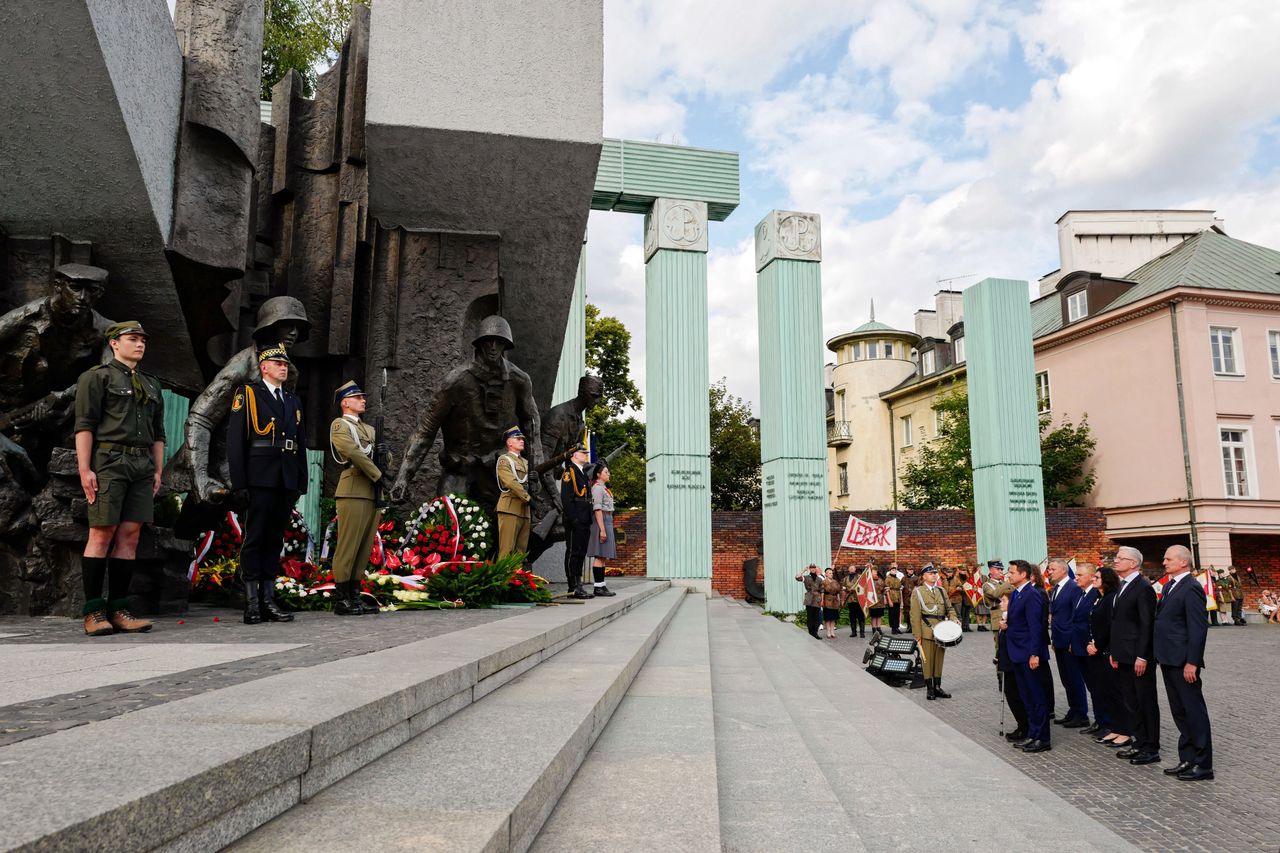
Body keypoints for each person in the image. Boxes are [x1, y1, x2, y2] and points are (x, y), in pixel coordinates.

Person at [390, 316, 543, 509]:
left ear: (506, 345)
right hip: (459, 469)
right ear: (479, 344)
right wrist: (403, 477)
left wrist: (535, 471)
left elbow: (532, 427)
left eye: (499, 342)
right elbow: (425, 432)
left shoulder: (519, 380)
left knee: (503, 528)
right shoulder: (456, 381)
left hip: (497, 471)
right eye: (488, 341)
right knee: (449, 522)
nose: (493, 347)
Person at [73, 321, 164, 636]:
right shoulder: (96, 378)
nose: (139, 344)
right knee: (101, 532)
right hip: (110, 461)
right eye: (132, 339)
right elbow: (84, 425)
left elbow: (158, 433)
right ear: (114, 343)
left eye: (142, 339)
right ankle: (93, 611)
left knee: (131, 536)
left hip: (141, 465)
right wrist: (85, 469)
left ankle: (119, 609)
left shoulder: (152, 385)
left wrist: (157, 470)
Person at [227, 345, 308, 625]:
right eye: (276, 363)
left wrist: (301, 479)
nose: (283, 367)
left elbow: (300, 443)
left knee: (275, 539)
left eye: (285, 364)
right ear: (263, 367)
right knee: (255, 537)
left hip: (285, 477)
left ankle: (268, 599)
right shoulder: (248, 394)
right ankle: (251, 602)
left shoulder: (292, 400)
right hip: (259, 476)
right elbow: (236, 441)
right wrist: (239, 483)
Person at [1155, 545, 1214, 781]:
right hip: (1168, 658)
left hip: (1183, 661)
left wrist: (1193, 661)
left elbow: (1198, 629)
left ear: (1183, 562)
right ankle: (1187, 758)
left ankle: (1203, 764)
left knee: (1193, 712)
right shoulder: (1170, 586)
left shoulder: (1191, 587)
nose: (1164, 562)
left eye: (1168, 559)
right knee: (1179, 711)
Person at [328, 381, 386, 617]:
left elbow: (383, 455)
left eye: (363, 397)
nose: (363, 400)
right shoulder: (340, 425)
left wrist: (384, 457)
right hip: (353, 488)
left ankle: (354, 593)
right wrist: (378, 473)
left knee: (363, 547)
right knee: (349, 545)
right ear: (345, 402)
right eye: (358, 397)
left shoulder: (370, 430)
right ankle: (341, 597)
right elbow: (352, 452)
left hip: (371, 491)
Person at [1109, 546, 1161, 766]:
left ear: (1133, 563)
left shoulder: (1142, 588)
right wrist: (1114, 651)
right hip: (1123, 654)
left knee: (1145, 701)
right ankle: (1138, 741)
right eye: (1116, 557)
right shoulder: (1123, 586)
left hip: (1138, 657)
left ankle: (1151, 747)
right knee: (1130, 701)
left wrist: (1143, 656)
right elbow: (1119, 623)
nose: (1116, 561)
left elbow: (1147, 624)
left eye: (1121, 559)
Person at [1005, 559, 1051, 752]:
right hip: (1016, 652)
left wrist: (1034, 653)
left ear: (1023, 574)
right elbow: (1019, 621)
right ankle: (1032, 733)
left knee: (1036, 696)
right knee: (1026, 696)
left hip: (1028, 653)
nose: (1009, 575)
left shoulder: (1031, 594)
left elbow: (1036, 626)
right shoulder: (1016, 594)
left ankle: (1043, 738)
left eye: (1012, 572)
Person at [1046, 557, 1090, 728]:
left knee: (1074, 678)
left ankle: (1081, 714)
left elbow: (1075, 615)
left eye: (1053, 569)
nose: (1050, 572)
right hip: (1059, 639)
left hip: (1070, 640)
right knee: (1066, 679)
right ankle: (1073, 710)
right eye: (1049, 569)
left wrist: (1073, 640)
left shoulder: (1072, 588)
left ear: (1064, 570)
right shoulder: (1056, 589)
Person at [1090, 566, 1130, 747]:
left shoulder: (1110, 598)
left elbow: (1108, 626)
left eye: (1096, 577)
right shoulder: (1100, 598)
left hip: (1107, 650)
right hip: (1098, 651)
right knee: (1105, 692)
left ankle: (1125, 730)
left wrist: (1097, 645)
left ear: (1105, 579)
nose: (1093, 580)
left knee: (1116, 693)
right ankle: (1115, 728)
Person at [910, 563, 956, 700]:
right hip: (927, 631)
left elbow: (950, 609)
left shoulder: (941, 590)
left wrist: (954, 618)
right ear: (924, 576)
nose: (934, 575)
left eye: (935, 573)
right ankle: (929, 688)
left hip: (942, 631)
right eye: (931, 573)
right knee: (927, 661)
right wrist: (917, 635)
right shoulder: (918, 592)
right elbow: (915, 615)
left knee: (939, 660)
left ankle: (937, 687)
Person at [560, 443, 593, 598]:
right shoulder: (570, 471)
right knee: (573, 551)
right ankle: (572, 586)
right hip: (576, 519)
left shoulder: (583, 472)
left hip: (584, 518)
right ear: (574, 455)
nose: (586, 455)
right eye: (583, 452)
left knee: (581, 552)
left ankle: (579, 584)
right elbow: (566, 498)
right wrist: (573, 518)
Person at [495, 426, 532, 560]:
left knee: (520, 551)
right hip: (510, 508)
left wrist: (535, 484)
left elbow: (531, 486)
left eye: (522, 439)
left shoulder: (526, 462)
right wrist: (527, 497)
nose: (522, 441)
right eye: (518, 438)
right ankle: (504, 580)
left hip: (525, 510)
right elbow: (510, 482)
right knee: (507, 550)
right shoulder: (504, 460)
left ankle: (516, 579)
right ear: (509, 442)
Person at [585, 461, 617, 597]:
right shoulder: (597, 488)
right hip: (601, 520)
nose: (608, 474)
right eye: (605, 472)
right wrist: (602, 529)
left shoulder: (603, 488)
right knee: (599, 554)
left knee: (603, 555)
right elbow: (597, 509)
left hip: (607, 519)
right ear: (598, 474)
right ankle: (597, 587)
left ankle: (602, 585)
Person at [796, 564, 822, 639]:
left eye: (814, 568)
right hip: (809, 599)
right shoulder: (806, 578)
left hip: (817, 599)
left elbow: (822, 589)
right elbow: (797, 577)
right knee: (810, 617)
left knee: (816, 617)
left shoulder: (819, 579)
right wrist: (804, 570)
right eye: (811, 568)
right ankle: (810, 633)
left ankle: (815, 633)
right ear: (810, 569)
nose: (813, 569)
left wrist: (822, 600)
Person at [842, 567, 866, 638]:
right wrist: (843, 600)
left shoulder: (860, 577)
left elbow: (864, 587)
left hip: (859, 599)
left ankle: (862, 632)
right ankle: (853, 632)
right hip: (850, 599)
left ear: (855, 569)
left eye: (853, 568)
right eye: (850, 568)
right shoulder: (846, 578)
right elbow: (844, 589)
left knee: (860, 616)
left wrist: (856, 590)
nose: (852, 569)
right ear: (848, 570)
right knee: (852, 616)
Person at [821, 567, 842, 639]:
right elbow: (822, 592)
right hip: (827, 600)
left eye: (832, 573)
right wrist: (822, 601)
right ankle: (828, 631)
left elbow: (838, 592)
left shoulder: (835, 582)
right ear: (826, 574)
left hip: (835, 601)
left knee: (833, 617)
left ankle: (832, 631)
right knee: (828, 617)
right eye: (830, 573)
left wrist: (839, 600)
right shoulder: (823, 582)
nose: (831, 574)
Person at [885, 564, 903, 634]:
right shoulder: (888, 578)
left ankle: (897, 627)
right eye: (892, 570)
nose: (894, 571)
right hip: (892, 598)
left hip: (898, 598)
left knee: (897, 614)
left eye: (895, 570)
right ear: (890, 571)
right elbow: (887, 590)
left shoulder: (898, 579)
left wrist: (901, 600)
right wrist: (889, 600)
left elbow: (900, 589)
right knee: (892, 614)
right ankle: (893, 628)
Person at [868, 566, 886, 632]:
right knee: (873, 615)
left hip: (880, 600)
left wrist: (884, 596)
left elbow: (884, 589)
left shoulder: (880, 580)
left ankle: (879, 628)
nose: (875, 573)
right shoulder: (869, 581)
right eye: (873, 571)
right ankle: (874, 628)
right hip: (872, 600)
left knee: (879, 615)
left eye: (876, 571)